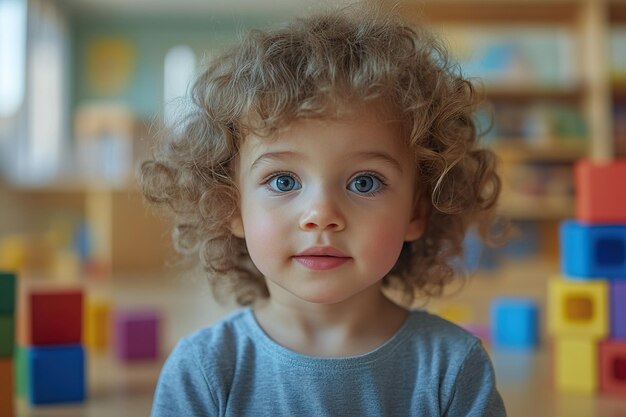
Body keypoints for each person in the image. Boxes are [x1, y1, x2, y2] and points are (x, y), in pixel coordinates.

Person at [142, 4, 506, 416]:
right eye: (284, 181)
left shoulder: (452, 370)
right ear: (231, 205)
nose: (321, 214)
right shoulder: (205, 372)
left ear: (416, 212)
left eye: (364, 182)